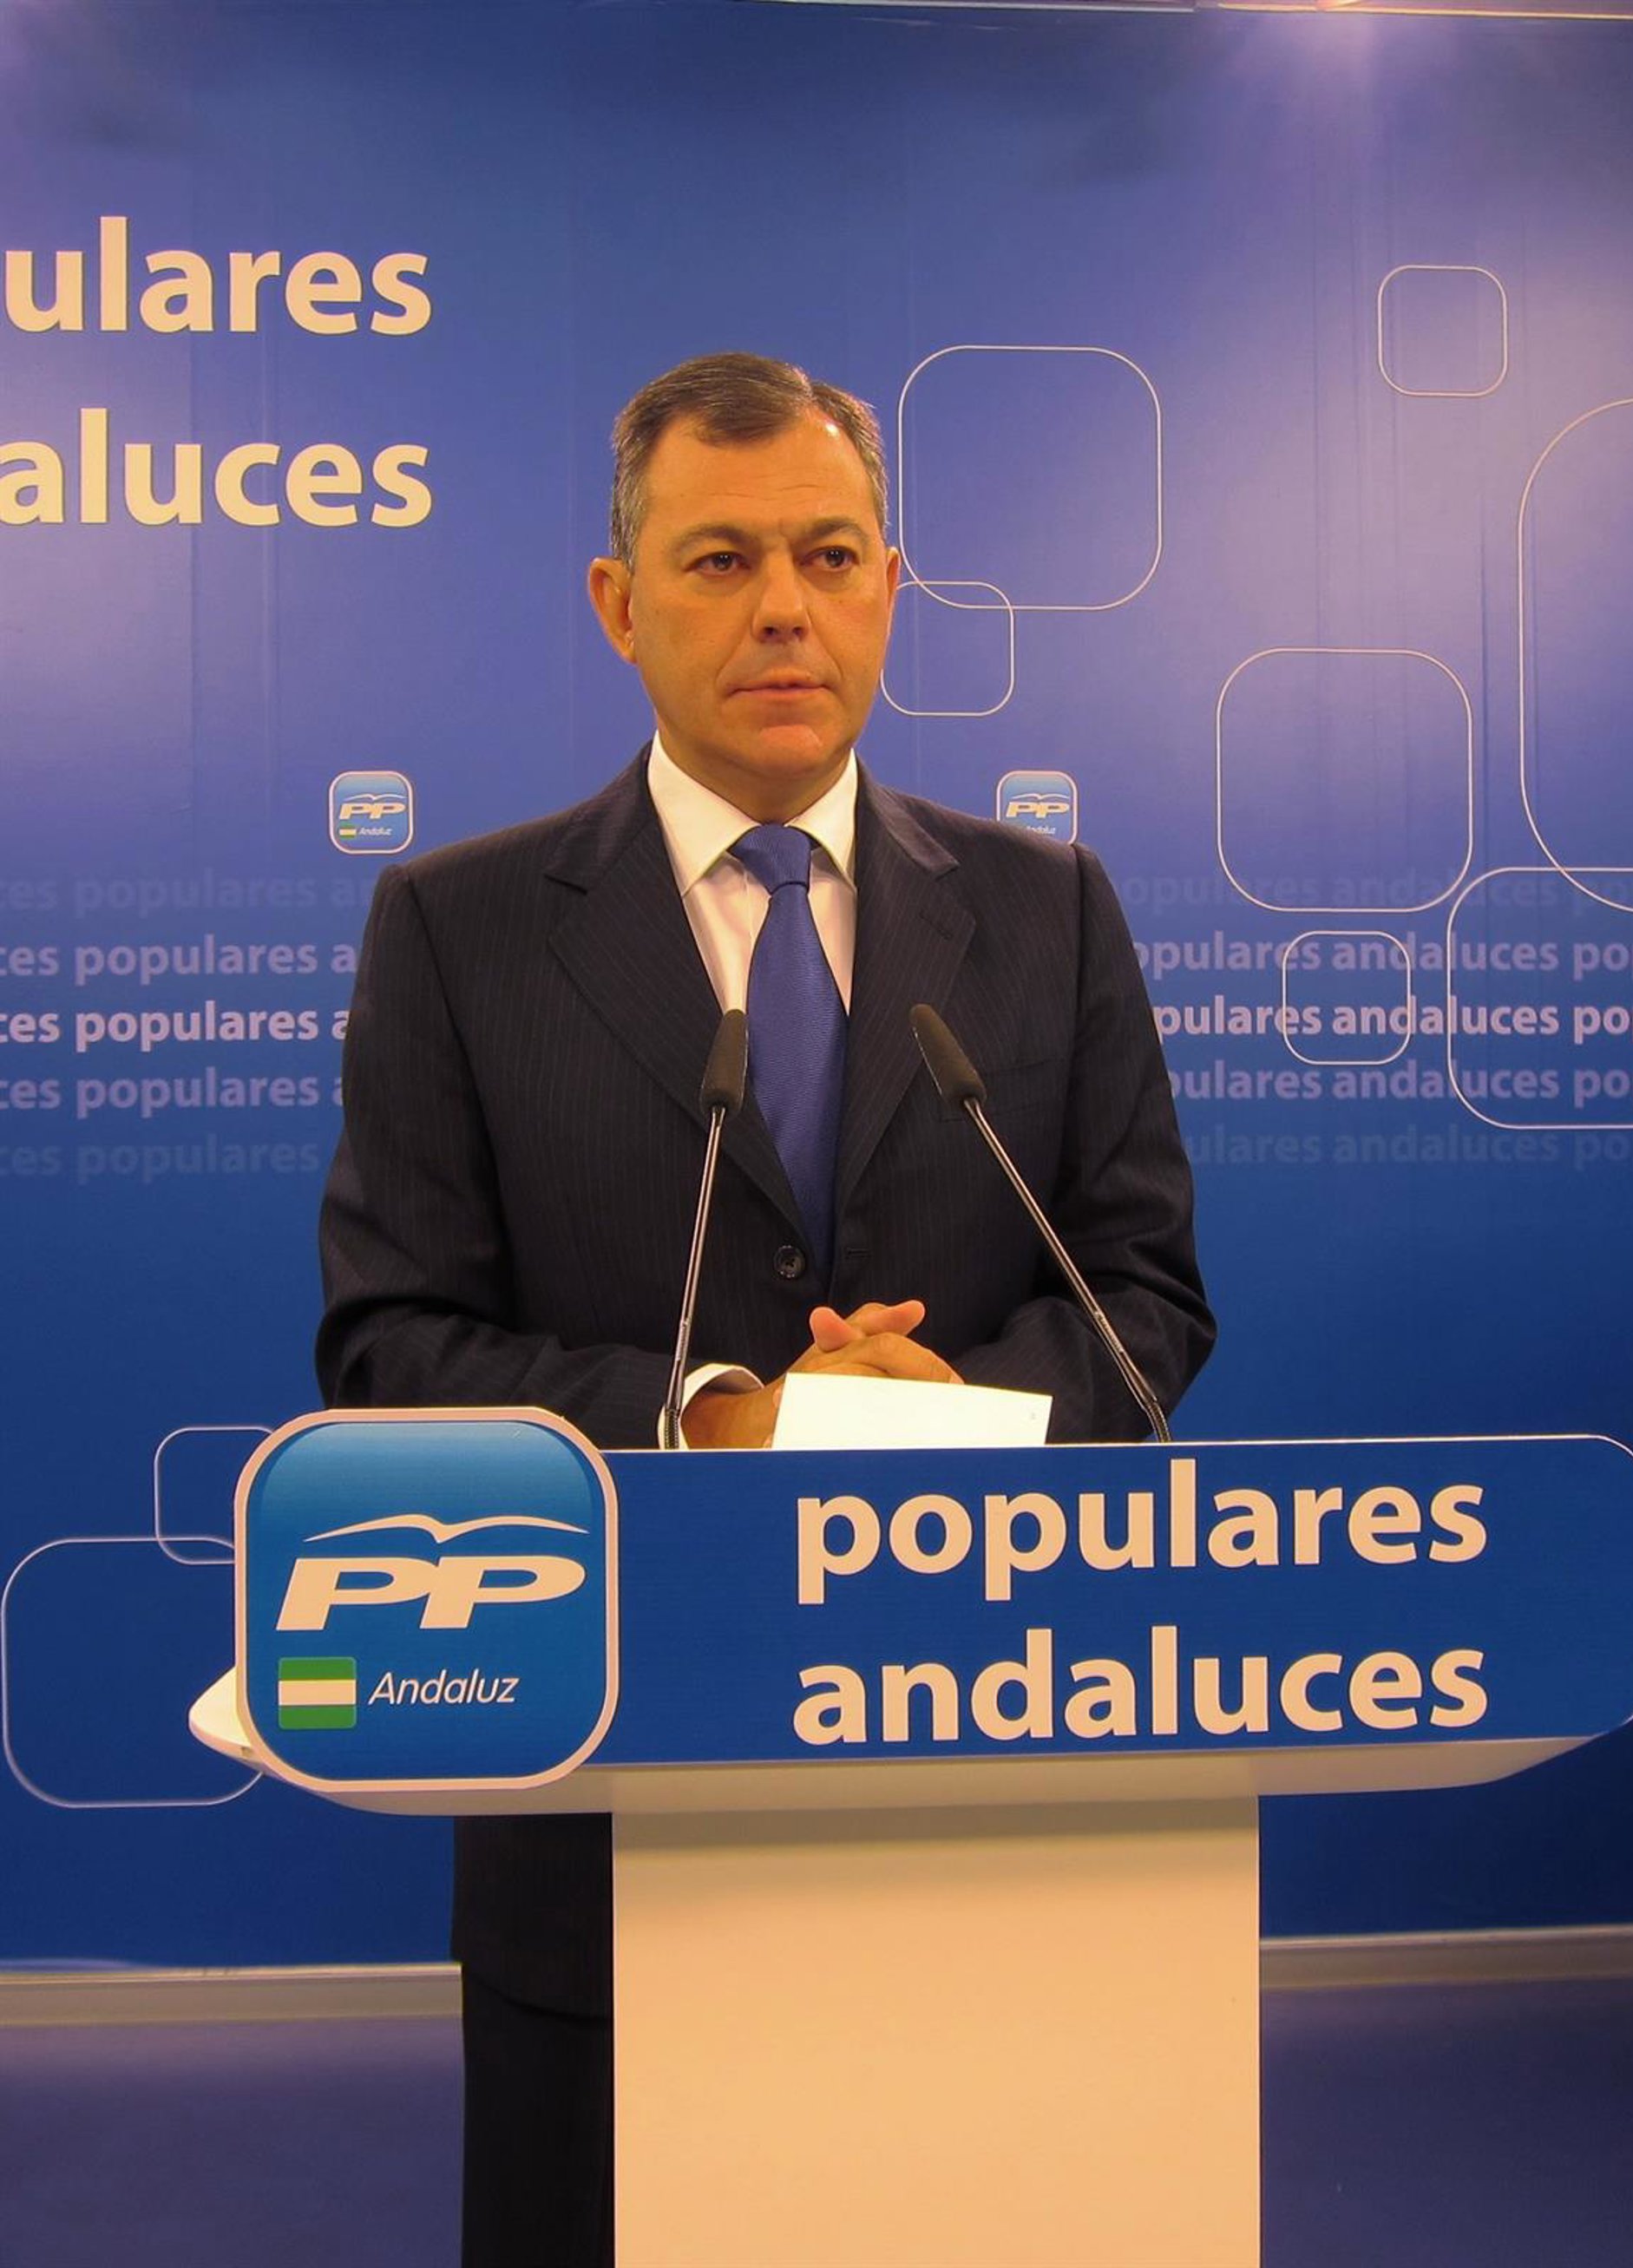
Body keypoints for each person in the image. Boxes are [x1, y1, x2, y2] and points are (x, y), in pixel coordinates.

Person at [316, 351, 1214, 2265]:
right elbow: (391, 1344)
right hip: (612, 1810)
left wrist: (945, 1410)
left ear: (891, 584)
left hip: (984, 1770)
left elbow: (1143, 1294)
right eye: (719, 559)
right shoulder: (461, 929)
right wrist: (714, 1412)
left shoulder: (1048, 908)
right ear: (618, 602)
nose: (784, 606)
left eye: (828, 554)